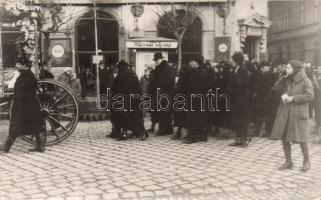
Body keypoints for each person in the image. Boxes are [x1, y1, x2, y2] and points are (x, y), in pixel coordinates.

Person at [271, 60, 314, 171]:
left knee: (301, 137)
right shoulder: (286, 79)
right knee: (284, 136)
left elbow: (310, 96)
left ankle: (306, 161)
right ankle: (288, 161)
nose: (287, 69)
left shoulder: (305, 81)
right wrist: (283, 77)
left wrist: (293, 98)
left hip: (298, 112)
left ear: (295, 69)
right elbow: (275, 88)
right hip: (286, 112)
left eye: (289, 68)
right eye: (286, 67)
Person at [0, 58, 45, 153]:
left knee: (15, 125)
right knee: (36, 125)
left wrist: (12, 95)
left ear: (25, 66)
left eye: (18, 64)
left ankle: (6, 147)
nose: (16, 65)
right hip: (32, 105)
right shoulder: (27, 75)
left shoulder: (26, 77)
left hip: (24, 106)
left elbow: (22, 92)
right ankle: (40, 147)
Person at [110, 61, 147, 141]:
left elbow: (115, 88)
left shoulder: (120, 74)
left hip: (123, 100)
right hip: (134, 99)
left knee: (123, 116)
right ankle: (141, 133)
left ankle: (124, 133)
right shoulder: (133, 74)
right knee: (136, 117)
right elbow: (138, 88)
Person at [183, 55, 211, 143]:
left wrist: (196, 96)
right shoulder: (195, 71)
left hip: (196, 99)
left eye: (192, 61)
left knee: (193, 118)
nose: (190, 63)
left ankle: (192, 137)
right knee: (199, 118)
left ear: (196, 62)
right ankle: (202, 136)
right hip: (194, 98)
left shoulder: (201, 72)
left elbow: (203, 87)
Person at [148, 52, 175, 136]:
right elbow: (153, 80)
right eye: (155, 60)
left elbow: (170, 81)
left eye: (157, 60)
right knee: (161, 112)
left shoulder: (167, 68)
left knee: (164, 112)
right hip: (160, 93)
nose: (156, 61)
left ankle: (163, 130)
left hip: (165, 93)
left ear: (161, 59)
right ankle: (167, 129)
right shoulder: (158, 68)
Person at [227, 52, 250, 147]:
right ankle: (238, 139)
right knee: (236, 119)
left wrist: (231, 90)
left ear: (236, 61)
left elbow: (242, 84)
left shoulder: (243, 70)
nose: (231, 61)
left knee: (242, 119)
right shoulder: (235, 69)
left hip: (242, 99)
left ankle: (244, 140)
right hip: (236, 98)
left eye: (232, 60)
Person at [313, 64, 321, 131]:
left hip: (319, 95)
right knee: (317, 108)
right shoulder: (317, 76)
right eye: (318, 69)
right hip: (316, 95)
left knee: (319, 108)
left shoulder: (318, 77)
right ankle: (317, 121)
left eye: (320, 69)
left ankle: (319, 122)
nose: (318, 70)